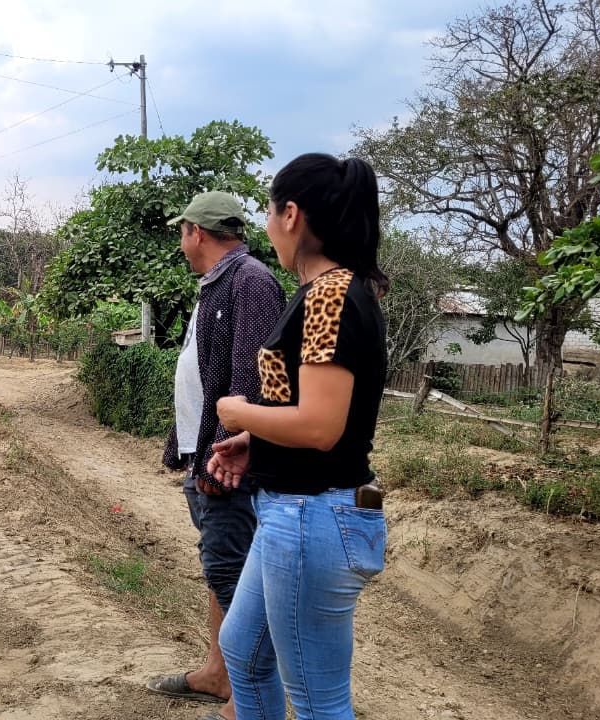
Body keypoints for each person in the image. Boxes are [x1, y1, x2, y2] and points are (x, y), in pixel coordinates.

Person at [210, 153, 389, 720]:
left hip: (314, 514)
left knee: (317, 701)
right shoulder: (327, 291)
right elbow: (315, 413)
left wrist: (238, 412)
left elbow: (319, 426)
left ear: (291, 214)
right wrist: (257, 442)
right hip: (294, 511)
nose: (267, 227)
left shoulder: (330, 296)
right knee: (243, 652)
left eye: (268, 213)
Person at [144, 191, 286, 720]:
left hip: (228, 459)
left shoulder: (250, 281)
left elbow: (254, 379)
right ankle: (217, 672)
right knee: (219, 566)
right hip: (206, 451)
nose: (181, 242)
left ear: (197, 232)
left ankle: (246, 700)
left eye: (182, 232)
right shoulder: (218, 283)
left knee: (233, 575)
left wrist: (224, 450)